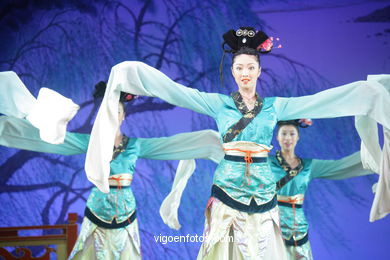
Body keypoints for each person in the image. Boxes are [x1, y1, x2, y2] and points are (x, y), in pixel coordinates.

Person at [82, 26, 390, 259]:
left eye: (250, 68)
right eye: (239, 68)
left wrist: (367, 94)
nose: (245, 73)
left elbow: (319, 101)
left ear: (259, 71)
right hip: (227, 193)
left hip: (265, 196)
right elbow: (175, 91)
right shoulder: (218, 104)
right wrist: (130, 73)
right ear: (233, 71)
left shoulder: (276, 107)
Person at [0, 76, 223, 259]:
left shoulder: (136, 146)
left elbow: (170, 145)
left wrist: (211, 143)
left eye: (117, 112)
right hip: (97, 208)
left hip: (126, 211)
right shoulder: (90, 143)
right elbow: (59, 142)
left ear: (123, 115)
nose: (112, 116)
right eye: (107, 112)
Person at [269, 119, 373, 260]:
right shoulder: (267, 162)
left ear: (298, 137)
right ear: (277, 137)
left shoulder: (308, 166)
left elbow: (340, 166)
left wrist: (379, 154)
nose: (288, 138)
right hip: (272, 222)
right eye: (284, 134)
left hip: (297, 225)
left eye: (292, 134)